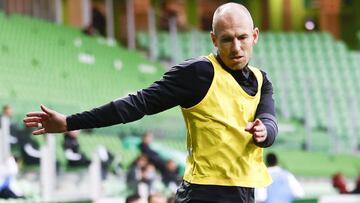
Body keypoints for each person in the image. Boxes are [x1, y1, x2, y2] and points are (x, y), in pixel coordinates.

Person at [23, 2, 278, 202]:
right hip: (204, 193)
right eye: (227, 39)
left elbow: (269, 121)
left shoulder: (261, 80)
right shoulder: (199, 73)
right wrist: (70, 122)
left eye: (242, 37)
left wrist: (264, 131)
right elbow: (137, 104)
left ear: (254, 36)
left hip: (246, 192)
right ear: (214, 39)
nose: (236, 47)